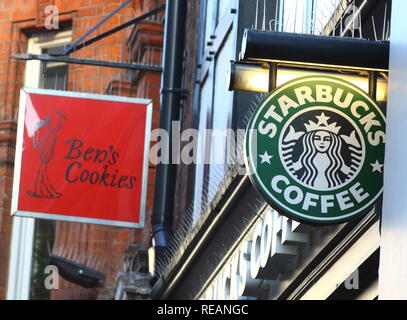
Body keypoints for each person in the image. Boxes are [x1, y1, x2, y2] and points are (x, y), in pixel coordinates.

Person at [26, 109, 66, 199]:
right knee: (42, 174)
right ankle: (44, 192)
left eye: (49, 120)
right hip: (44, 157)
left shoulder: (51, 133)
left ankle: (43, 191)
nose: (47, 122)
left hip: (45, 157)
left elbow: (45, 146)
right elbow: (39, 145)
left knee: (41, 174)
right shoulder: (50, 133)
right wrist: (36, 133)